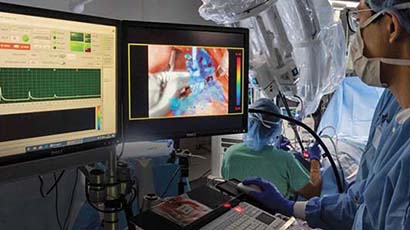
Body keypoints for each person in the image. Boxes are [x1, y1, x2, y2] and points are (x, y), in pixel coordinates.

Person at [243, 0, 410, 229]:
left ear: (391, 26)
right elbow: (363, 202)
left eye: (358, 20)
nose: (356, 38)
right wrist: (289, 207)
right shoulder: (392, 105)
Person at [221, 98, 322, 199]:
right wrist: (315, 160)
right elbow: (313, 192)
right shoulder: (285, 159)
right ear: (277, 128)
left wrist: (273, 151)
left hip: (241, 210)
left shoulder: (230, 153)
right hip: (275, 213)